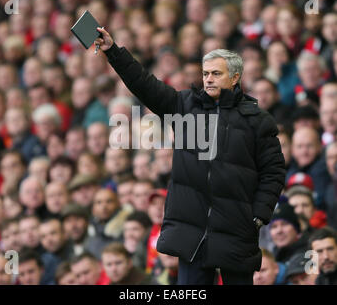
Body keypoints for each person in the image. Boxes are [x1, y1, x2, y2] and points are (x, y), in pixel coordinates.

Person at [94, 27, 286, 285]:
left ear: (235, 77)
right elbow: (143, 84)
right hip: (192, 232)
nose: (208, 79)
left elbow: (273, 172)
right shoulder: (184, 106)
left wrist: (257, 216)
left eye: (216, 74)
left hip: (237, 229)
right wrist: (113, 52)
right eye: (205, 73)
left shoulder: (259, 121)